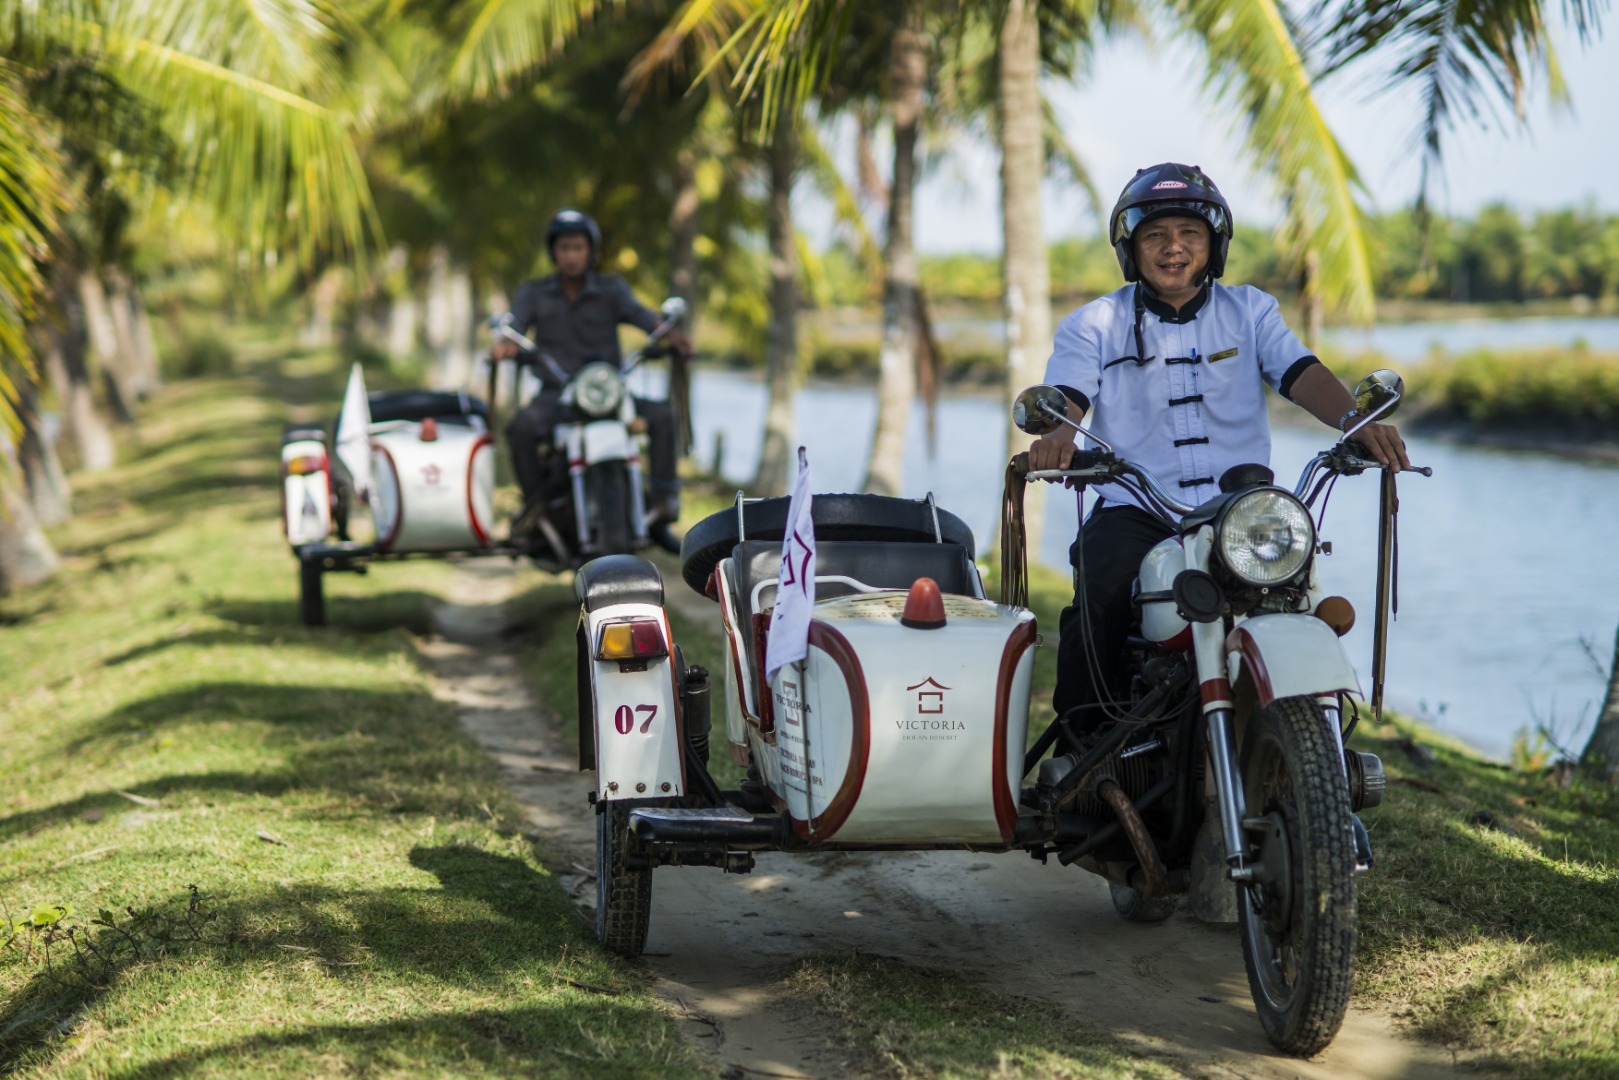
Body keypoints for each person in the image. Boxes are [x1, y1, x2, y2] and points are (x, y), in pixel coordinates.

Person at [1027, 162, 1411, 734]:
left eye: (1189, 234)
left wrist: (1355, 422)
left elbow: (1298, 371)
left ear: (1214, 243)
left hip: (1243, 512)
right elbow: (1071, 391)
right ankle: (1082, 755)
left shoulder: (1250, 311)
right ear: (1131, 248)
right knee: (1098, 598)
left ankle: (1316, 745)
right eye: (1155, 236)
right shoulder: (1094, 323)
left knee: (1305, 603)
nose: (1173, 248)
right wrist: (1060, 434)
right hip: (1138, 511)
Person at [492, 208, 692, 525]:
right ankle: (535, 508)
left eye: (578, 248)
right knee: (521, 429)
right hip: (556, 395)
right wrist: (506, 345)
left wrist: (670, 335)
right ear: (553, 252)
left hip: (608, 393)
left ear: (591, 252)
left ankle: (664, 497)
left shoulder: (611, 289)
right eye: (564, 248)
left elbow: (643, 317)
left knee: (663, 416)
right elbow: (514, 327)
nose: (571, 256)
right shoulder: (535, 293)